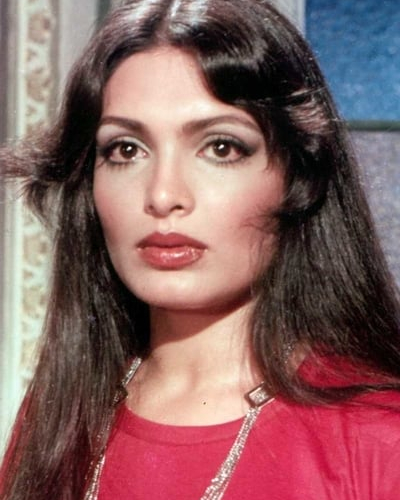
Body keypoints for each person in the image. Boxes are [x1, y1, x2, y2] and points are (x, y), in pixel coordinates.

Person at [1, 0, 400, 498]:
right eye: (126, 149)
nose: (163, 195)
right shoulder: (58, 420)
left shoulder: (379, 439)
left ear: (297, 177)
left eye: (220, 147)